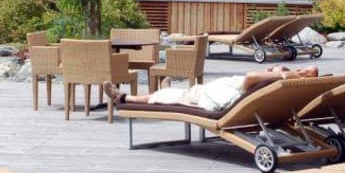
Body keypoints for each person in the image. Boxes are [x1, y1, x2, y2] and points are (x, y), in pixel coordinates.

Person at [104, 64, 319, 112]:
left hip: (204, 97)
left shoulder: (262, 81)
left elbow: (251, 76)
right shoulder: (283, 89)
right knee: (171, 92)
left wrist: (282, 73)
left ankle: (122, 98)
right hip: (210, 90)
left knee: (162, 95)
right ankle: (163, 89)